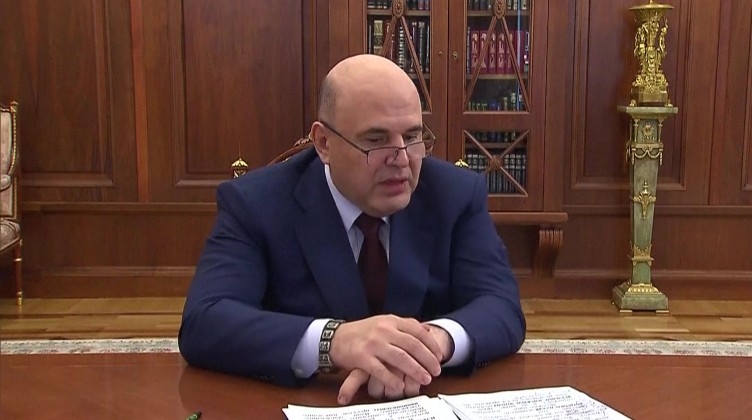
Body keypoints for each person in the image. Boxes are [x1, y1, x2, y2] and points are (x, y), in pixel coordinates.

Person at [178, 54, 525, 405]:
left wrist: (428, 344)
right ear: (324, 143)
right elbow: (204, 322)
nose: (402, 159)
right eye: (376, 140)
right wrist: (334, 341)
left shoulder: (454, 194)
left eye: (412, 136)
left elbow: (501, 306)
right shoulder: (255, 204)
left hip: (422, 398)